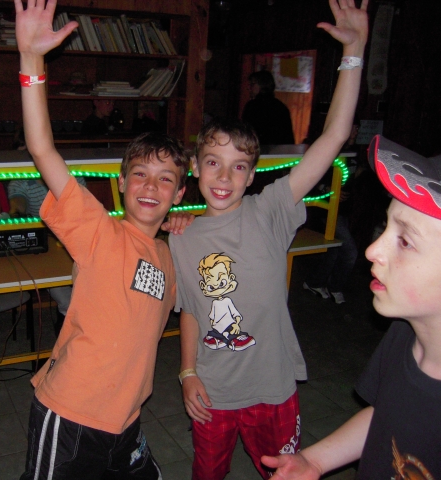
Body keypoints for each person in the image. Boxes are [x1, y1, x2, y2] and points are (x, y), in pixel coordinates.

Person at [169, 1, 367, 478]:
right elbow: (191, 309)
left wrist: (354, 52)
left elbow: (333, 137)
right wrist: (187, 372)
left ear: (253, 174)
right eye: (213, 163)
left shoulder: (271, 209)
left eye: (238, 166)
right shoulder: (182, 235)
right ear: (194, 168)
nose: (224, 177)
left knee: (284, 473)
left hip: (273, 390)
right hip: (212, 392)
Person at [14, 1, 189, 478]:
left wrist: (189, 225)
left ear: (179, 193)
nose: (151, 187)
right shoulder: (98, 230)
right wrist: (31, 59)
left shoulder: (170, 254)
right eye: (140, 174)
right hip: (70, 413)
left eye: (166, 179)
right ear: (121, 183)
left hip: (126, 419)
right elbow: (42, 149)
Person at [262, 136, 441, 478]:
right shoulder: (404, 335)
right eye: (386, 226)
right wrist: (315, 461)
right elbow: (386, 416)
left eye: (405, 241)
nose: (373, 250)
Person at [8, 175, 86, 336]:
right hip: (44, 248)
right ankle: (70, 326)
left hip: (76, 238)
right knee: (63, 296)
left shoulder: (74, 176)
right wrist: (16, 212)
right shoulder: (19, 181)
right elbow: (18, 204)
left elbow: (82, 209)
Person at [302, 116, 361, 304]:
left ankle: (316, 282)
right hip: (327, 209)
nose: (355, 131)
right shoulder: (330, 150)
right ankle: (333, 285)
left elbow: (355, 173)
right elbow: (311, 175)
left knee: (334, 249)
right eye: (352, 127)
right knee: (350, 252)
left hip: (343, 210)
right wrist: (327, 188)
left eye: (357, 128)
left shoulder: (355, 151)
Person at [242, 70, 295, 145]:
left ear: (263, 85)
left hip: (259, 148)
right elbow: (288, 137)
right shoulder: (281, 106)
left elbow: (246, 132)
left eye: (252, 84)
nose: (249, 88)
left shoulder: (252, 106)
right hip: (279, 149)